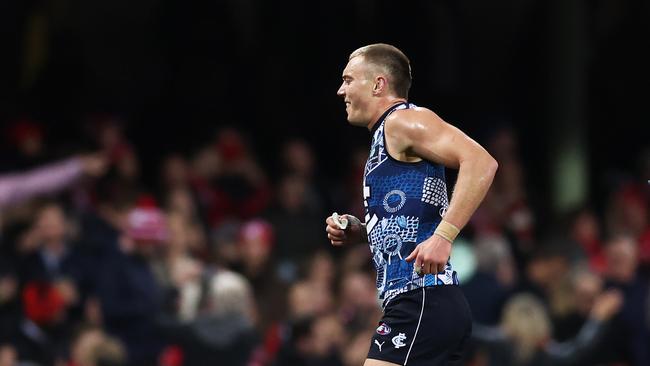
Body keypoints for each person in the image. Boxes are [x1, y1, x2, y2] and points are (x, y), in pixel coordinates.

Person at [325, 43, 498, 366]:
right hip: (423, 303)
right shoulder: (386, 137)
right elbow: (410, 221)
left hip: (422, 298)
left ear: (378, 84)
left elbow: (481, 162)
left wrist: (444, 236)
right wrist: (365, 231)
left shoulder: (401, 121)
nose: (340, 90)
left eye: (348, 80)